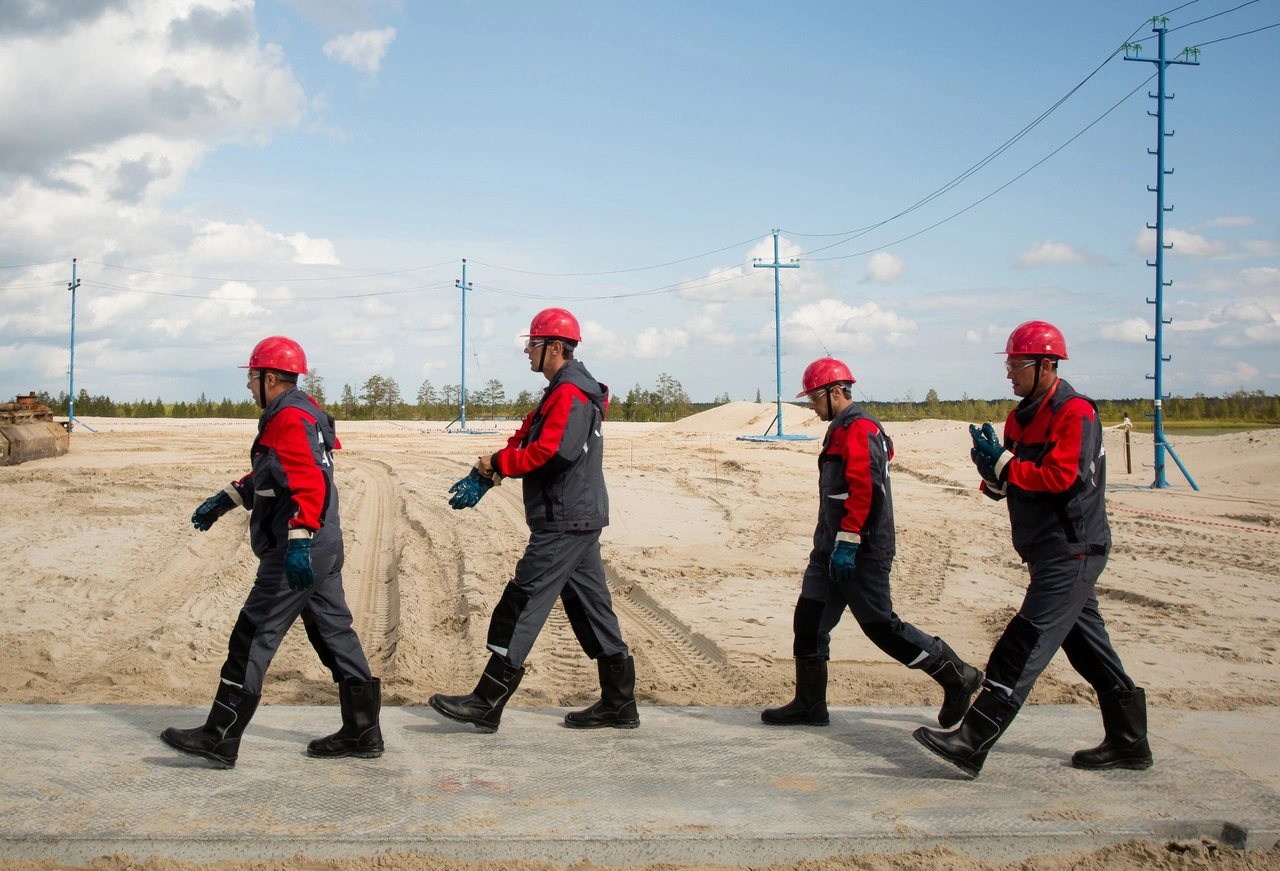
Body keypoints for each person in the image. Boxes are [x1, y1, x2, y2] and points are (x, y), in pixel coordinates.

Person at [914, 321, 1152, 778]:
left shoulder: (1075, 412)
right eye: (1008, 364)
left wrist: (1006, 462)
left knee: (1024, 641)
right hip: (1044, 548)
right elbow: (1015, 483)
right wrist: (992, 474)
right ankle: (1130, 740)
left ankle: (972, 739)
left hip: (1074, 547)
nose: (1009, 373)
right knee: (1087, 648)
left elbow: (1061, 477)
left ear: (1047, 365)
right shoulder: (1018, 416)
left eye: (1016, 364)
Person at [161, 336, 383, 768]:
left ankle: (220, 735)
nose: (247, 387)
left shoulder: (290, 418)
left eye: (251, 377)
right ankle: (363, 731)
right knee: (334, 634)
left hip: (298, 548)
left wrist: (299, 540)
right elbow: (276, 472)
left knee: (253, 632)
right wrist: (228, 497)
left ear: (269, 378)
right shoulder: (299, 413)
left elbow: (311, 484)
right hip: (323, 544)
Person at [430, 308, 637, 732]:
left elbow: (553, 452)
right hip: (576, 517)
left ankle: (487, 701)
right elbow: (528, 435)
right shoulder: (562, 390)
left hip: (562, 520)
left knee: (522, 602)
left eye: (534, 343)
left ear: (555, 348)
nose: (527, 350)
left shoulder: (570, 393)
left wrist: (497, 462)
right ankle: (619, 703)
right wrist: (490, 470)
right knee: (591, 609)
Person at [762, 357, 983, 730]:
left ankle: (955, 674)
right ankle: (809, 705)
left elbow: (866, 490)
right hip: (830, 547)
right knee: (809, 621)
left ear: (836, 392)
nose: (811, 405)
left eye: (814, 398)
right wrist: (833, 545)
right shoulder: (840, 428)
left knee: (880, 627)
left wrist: (849, 544)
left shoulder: (860, 429)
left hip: (861, 549)